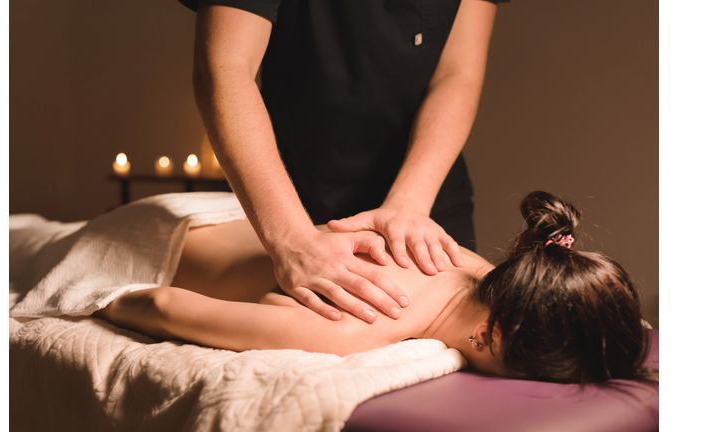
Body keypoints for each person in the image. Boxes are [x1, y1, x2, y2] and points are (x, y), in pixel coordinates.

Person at [95, 191, 654, 383]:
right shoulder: (356, 323)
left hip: (226, 212)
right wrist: (99, 301)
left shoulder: (480, 266)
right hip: (146, 236)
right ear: (490, 337)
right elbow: (157, 303)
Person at [176, 0, 506, 324]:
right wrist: (292, 240)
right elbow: (225, 66)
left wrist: (409, 203)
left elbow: (457, 75)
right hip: (293, 194)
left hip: (424, 198)